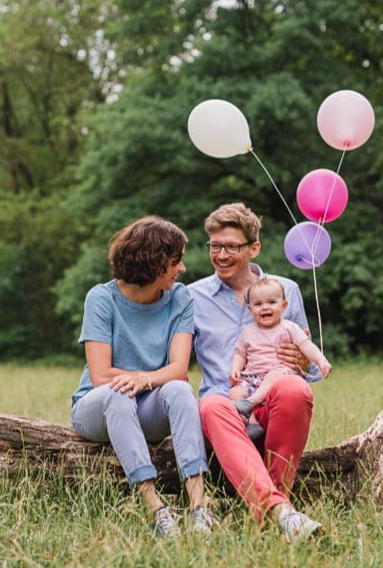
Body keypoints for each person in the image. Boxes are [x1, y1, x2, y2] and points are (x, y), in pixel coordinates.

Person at [70, 215, 216, 537]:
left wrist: (144, 380)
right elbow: (100, 375)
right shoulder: (101, 298)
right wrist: (141, 378)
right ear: (154, 261)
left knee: (179, 390)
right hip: (97, 408)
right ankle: (157, 510)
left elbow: (179, 370)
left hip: (148, 405)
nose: (182, 270)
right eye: (176, 261)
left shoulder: (180, 298)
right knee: (117, 393)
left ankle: (199, 508)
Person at [188, 202, 324, 540]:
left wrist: (303, 362)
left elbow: (308, 367)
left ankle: (277, 508)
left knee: (295, 390)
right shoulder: (192, 297)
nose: (220, 254)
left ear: (254, 248)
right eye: (214, 246)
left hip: (273, 400)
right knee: (211, 405)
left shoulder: (285, 290)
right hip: (224, 405)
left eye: (231, 247)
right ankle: (282, 513)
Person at [229, 278, 332, 424]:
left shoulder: (289, 328)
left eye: (271, 302)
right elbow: (240, 353)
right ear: (250, 309)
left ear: (284, 306)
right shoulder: (248, 330)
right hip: (252, 378)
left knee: (273, 375)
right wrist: (235, 369)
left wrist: (321, 360)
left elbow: (306, 346)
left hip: (279, 375)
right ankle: (252, 424)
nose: (265, 307)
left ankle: (250, 402)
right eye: (258, 304)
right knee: (234, 393)